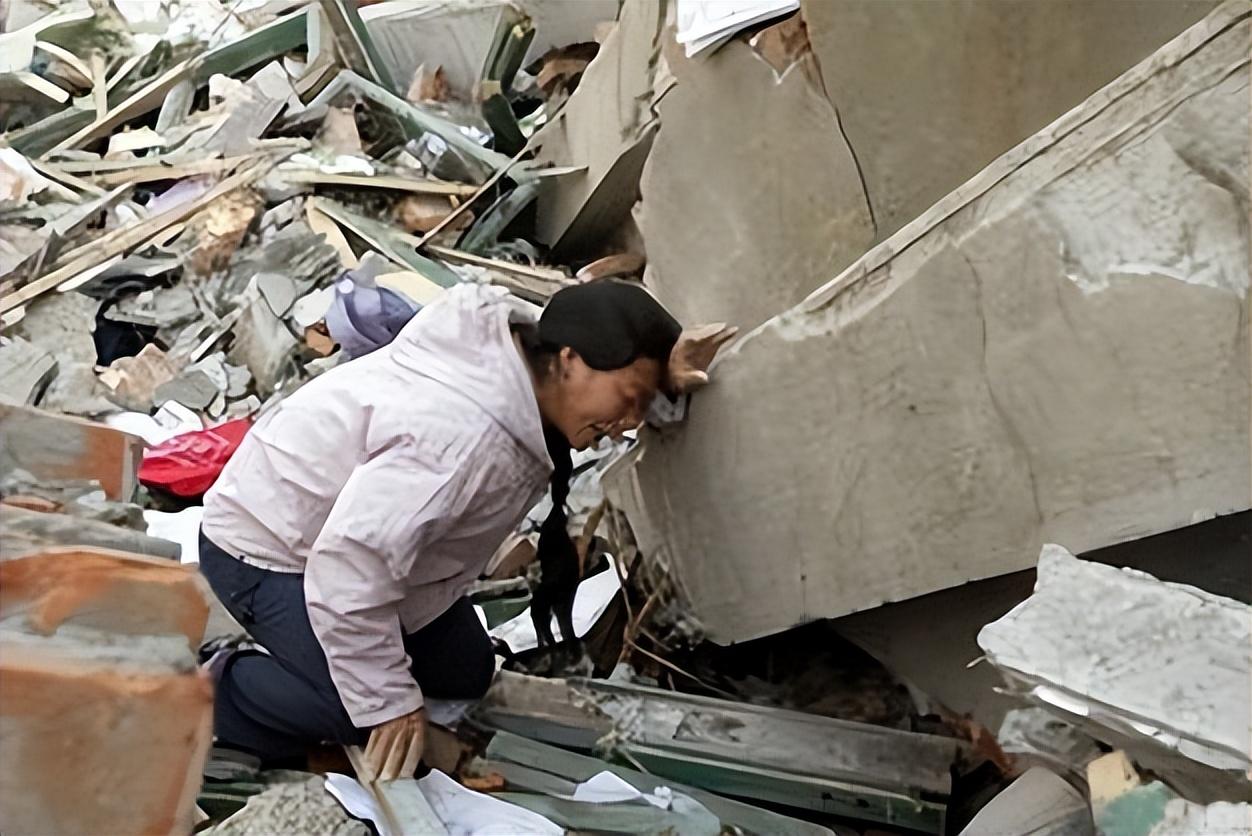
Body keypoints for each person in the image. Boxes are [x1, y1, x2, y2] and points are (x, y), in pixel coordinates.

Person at [198, 279, 734, 780]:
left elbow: (374, 551)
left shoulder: (524, 361)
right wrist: (391, 704)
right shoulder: (460, 439)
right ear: (571, 361)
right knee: (357, 710)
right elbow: (348, 571)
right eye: (630, 399)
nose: (631, 422)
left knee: (465, 674)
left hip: (368, 551)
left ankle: (311, 661)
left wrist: (662, 377)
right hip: (267, 548)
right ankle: (217, 692)